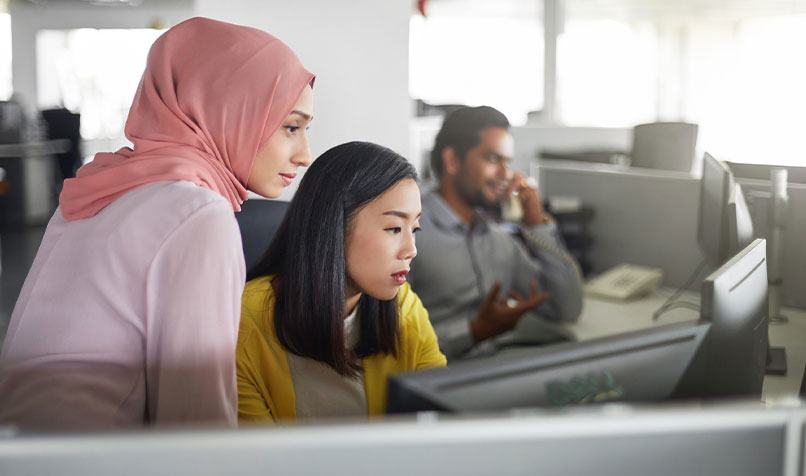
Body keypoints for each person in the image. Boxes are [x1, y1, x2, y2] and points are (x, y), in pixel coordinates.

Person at [0, 17, 315, 430]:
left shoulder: (105, 186)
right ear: (229, 110)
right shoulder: (199, 214)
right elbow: (197, 425)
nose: (305, 154)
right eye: (291, 127)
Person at [237, 141, 446, 423]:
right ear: (334, 227)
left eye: (414, 229)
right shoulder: (243, 322)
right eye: (394, 228)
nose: (411, 249)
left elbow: (436, 426)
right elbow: (257, 461)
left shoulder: (405, 309)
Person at [407, 106, 583, 360]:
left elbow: (566, 308)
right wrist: (474, 332)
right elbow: (390, 342)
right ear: (453, 161)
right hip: (434, 382)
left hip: (495, 372)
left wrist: (537, 224)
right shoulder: (409, 234)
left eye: (507, 162)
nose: (506, 174)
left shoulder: (499, 241)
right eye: (492, 159)